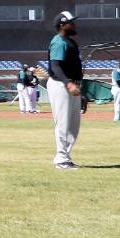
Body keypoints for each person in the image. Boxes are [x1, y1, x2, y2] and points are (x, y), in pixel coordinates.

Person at [46, 11, 83, 169]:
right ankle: (60, 159)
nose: (74, 24)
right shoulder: (59, 41)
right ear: (62, 25)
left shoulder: (70, 42)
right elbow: (55, 66)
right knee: (62, 122)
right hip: (61, 85)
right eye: (71, 22)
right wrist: (68, 83)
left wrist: (80, 91)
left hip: (72, 85)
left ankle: (65, 157)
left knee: (73, 125)